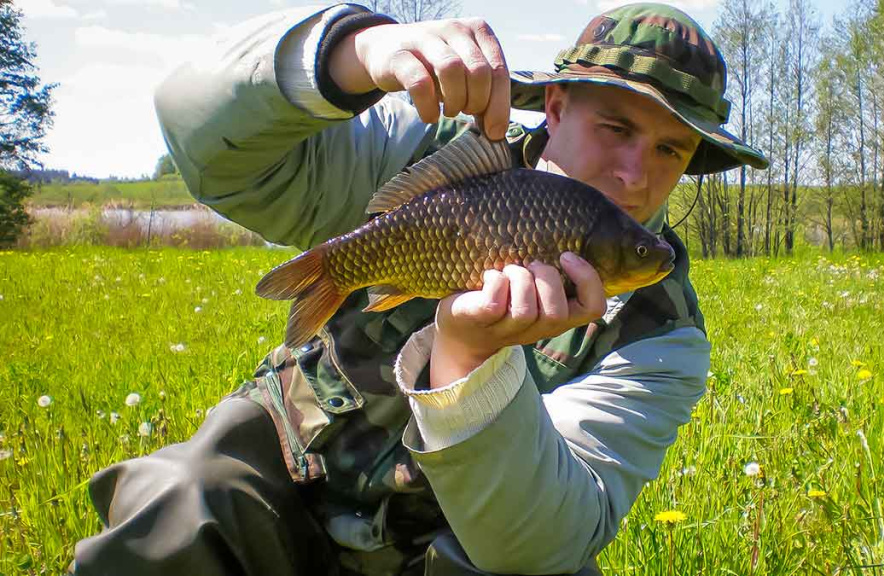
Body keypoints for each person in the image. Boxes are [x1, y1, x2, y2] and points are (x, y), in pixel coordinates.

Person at [73, 2, 767, 575]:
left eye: (670, 149)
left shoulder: (663, 336)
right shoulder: (427, 154)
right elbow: (207, 144)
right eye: (616, 128)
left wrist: (468, 367)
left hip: (436, 556)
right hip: (284, 477)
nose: (635, 176)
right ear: (554, 106)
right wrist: (352, 53)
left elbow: (542, 546)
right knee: (175, 501)